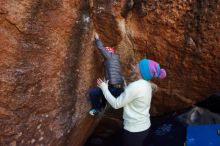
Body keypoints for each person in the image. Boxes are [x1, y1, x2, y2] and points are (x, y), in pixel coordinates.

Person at [97, 58, 166, 146]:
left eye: (139, 64)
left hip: (134, 131)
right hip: (144, 127)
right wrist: (126, 87)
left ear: (142, 70)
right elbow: (135, 95)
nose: (136, 64)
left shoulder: (135, 86)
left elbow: (116, 104)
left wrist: (104, 88)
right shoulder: (148, 85)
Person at [88, 32, 125, 116]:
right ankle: (103, 106)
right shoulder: (115, 59)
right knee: (104, 89)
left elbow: (101, 48)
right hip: (116, 87)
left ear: (110, 53)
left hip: (115, 88)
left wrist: (97, 39)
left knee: (93, 92)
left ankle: (97, 109)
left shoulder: (111, 57)